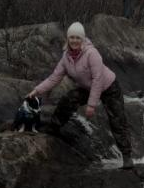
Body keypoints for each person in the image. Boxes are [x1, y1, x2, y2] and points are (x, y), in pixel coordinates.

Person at [27, 22, 134, 169]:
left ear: (82, 39)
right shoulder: (66, 57)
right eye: (72, 37)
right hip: (87, 87)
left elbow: (98, 79)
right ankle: (54, 128)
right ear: (68, 39)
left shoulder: (92, 54)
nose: (74, 41)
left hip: (109, 87)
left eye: (78, 38)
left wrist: (91, 104)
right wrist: (36, 91)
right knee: (68, 100)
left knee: (118, 121)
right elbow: (54, 78)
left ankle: (127, 157)